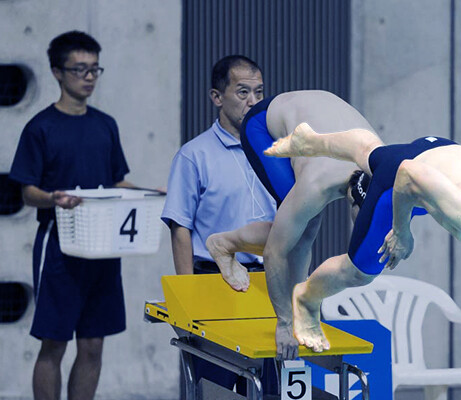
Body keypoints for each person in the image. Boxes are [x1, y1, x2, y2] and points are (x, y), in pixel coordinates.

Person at [264, 121, 461, 353]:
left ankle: (312, 141)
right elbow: (408, 173)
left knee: (371, 153)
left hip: (439, 152)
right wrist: (401, 232)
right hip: (405, 178)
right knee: (359, 272)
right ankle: (306, 299)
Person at [204, 90, 377, 360]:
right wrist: (284, 324)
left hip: (315, 112)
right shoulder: (316, 185)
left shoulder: (387, 170)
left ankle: (300, 311)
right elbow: (275, 254)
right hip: (263, 124)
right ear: (354, 203)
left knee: (303, 230)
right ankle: (223, 244)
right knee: (295, 235)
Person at [9, 31, 135, 400]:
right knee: (54, 343)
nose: (89, 77)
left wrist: (151, 194)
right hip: (59, 247)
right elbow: (27, 192)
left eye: (95, 69)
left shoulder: (105, 124)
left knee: (93, 344)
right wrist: (54, 198)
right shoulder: (40, 128)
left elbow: (117, 181)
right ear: (57, 72)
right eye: (79, 69)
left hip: (103, 246)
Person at [160, 55, 278, 395]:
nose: (253, 102)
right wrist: (187, 302)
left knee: (269, 388)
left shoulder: (275, 152)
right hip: (213, 284)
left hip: (266, 285)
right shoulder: (193, 155)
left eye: (258, 92)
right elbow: (179, 227)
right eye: (242, 92)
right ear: (217, 97)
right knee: (216, 388)